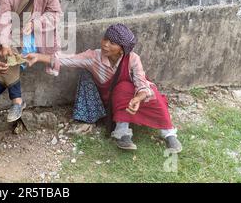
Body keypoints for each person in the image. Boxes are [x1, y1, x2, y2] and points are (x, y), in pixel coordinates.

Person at [24, 24, 182, 153]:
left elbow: (141, 82)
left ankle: (168, 133)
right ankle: (122, 131)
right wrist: (38, 57)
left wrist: (138, 98)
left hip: (134, 94)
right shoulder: (94, 57)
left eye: (112, 43)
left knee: (151, 93)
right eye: (105, 39)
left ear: (122, 48)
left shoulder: (133, 59)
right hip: (112, 98)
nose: (106, 44)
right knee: (121, 89)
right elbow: (67, 60)